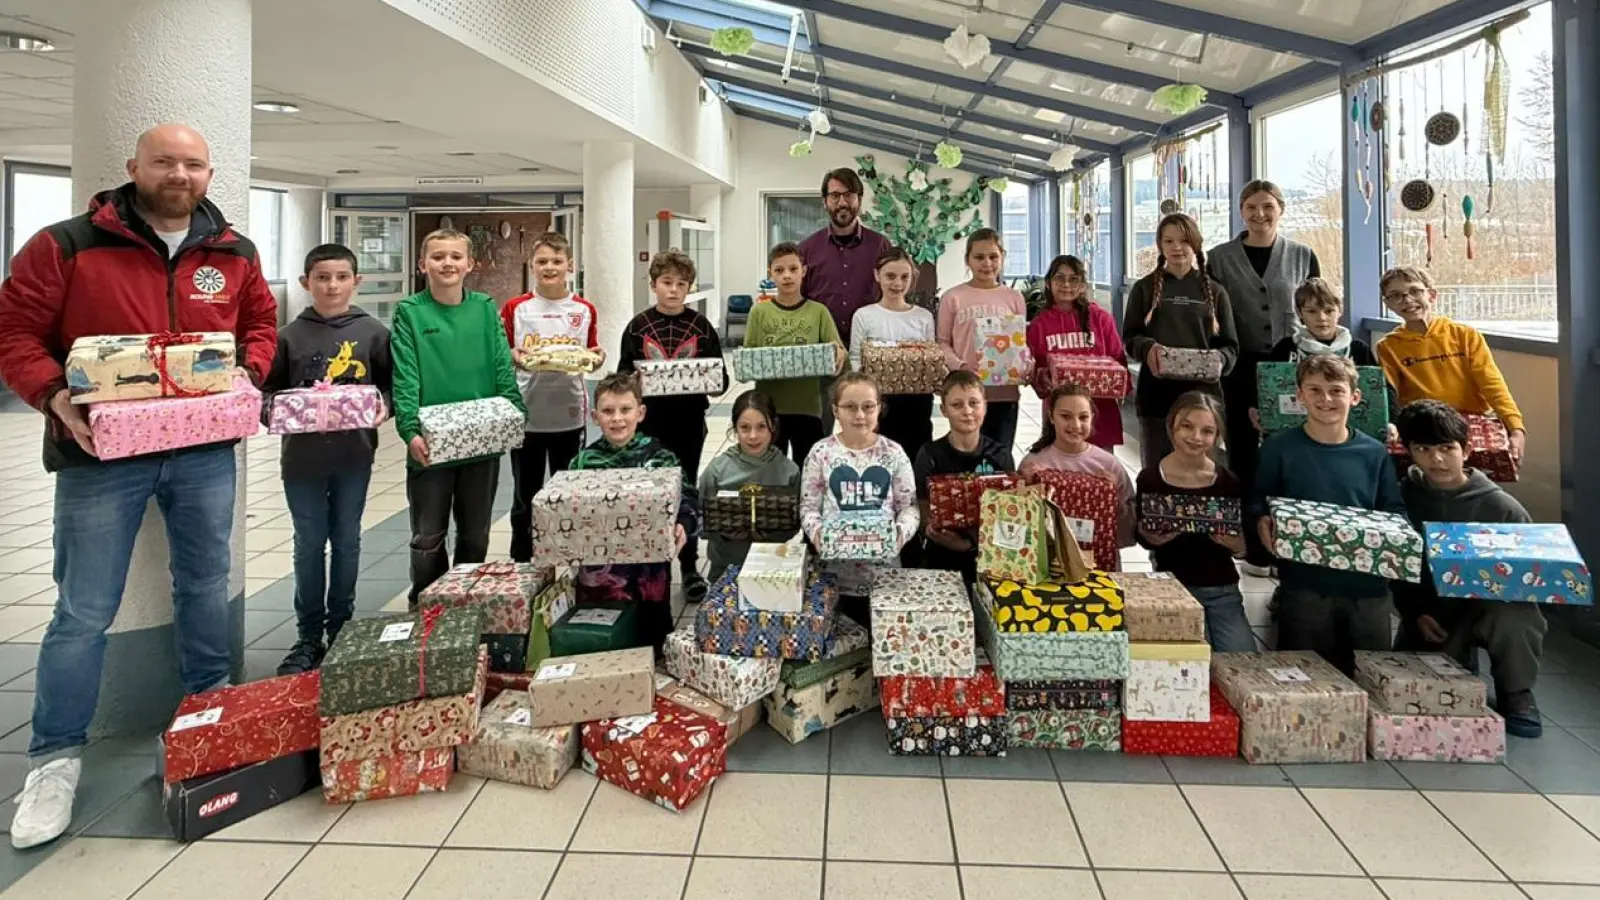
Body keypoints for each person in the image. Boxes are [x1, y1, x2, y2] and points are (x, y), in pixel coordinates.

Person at [0, 123, 278, 849]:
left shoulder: (234, 252)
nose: (178, 175)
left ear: (209, 174)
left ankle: (210, 714)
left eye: (193, 164)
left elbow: (259, 323)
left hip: (203, 452)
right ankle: (54, 757)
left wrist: (248, 369)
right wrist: (55, 395)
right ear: (133, 167)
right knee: (83, 609)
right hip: (101, 458)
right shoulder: (67, 245)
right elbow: (15, 332)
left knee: (205, 583)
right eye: (164, 162)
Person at [263, 244, 393, 675]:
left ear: (357, 281)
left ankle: (341, 627)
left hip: (354, 455)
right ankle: (307, 635)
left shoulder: (373, 333)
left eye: (341, 277)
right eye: (322, 278)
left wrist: (384, 407)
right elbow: (267, 394)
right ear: (306, 282)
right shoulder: (288, 337)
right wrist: (277, 411)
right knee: (308, 543)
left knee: (347, 539)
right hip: (301, 461)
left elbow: (391, 387)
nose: (332, 286)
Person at [1391, 400, 1545, 738]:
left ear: (1467, 449)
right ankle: (1458, 659)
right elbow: (1394, 563)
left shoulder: (1503, 508)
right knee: (1422, 687)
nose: (1437, 459)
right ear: (1409, 452)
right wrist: (1415, 611)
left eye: (1447, 448)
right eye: (1424, 449)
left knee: (1515, 617)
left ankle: (1517, 692)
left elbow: (1532, 574)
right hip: (1430, 607)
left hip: (1489, 605)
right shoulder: (1402, 498)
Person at [392, 229, 524, 609]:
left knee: (475, 536)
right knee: (428, 536)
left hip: (481, 443)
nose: (447, 263)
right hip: (430, 444)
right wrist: (409, 430)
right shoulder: (410, 313)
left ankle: (465, 608)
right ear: (423, 265)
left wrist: (514, 413)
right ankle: (426, 606)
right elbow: (405, 376)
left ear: (470, 264)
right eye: (438, 257)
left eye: (455, 256)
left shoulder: (484, 308)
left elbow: (501, 366)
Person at [1250, 355, 1405, 675]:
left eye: (1336, 390)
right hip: (1305, 584)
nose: (1326, 399)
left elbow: (1393, 509)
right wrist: (1261, 519)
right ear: (1300, 396)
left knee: (1370, 675)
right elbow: (1258, 499)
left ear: (1355, 397)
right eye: (1315, 390)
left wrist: (1396, 542)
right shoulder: (1278, 449)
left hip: (1368, 589)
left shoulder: (1374, 453)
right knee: (1304, 674)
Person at [1207, 181, 1322, 576]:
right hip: (1239, 369)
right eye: (1251, 207)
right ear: (1241, 211)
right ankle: (1252, 544)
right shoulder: (1218, 258)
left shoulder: (1302, 255)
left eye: (1268, 206)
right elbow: (1212, 315)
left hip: (1291, 367)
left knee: (1291, 452)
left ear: (1280, 209)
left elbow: (1316, 307)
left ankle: (1290, 541)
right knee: (1243, 453)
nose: (1260, 214)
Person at [616, 250, 727, 603]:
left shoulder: (702, 326)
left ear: (689, 287)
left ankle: (689, 565)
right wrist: (633, 382)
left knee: (686, 491)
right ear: (654, 285)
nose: (674, 290)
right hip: (648, 426)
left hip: (689, 422)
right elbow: (621, 376)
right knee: (647, 494)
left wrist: (708, 379)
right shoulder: (637, 326)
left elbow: (721, 380)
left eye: (681, 284)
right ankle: (650, 566)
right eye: (667, 282)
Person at [569, 372, 696, 653]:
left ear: (640, 413)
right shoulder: (582, 464)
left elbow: (687, 496)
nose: (617, 418)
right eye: (608, 411)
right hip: (598, 582)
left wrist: (683, 524)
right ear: (594, 416)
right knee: (602, 648)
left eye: (625, 409)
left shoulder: (660, 458)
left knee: (654, 646)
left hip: (650, 580)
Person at [500, 231, 603, 563]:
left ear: (569, 265)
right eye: (542, 261)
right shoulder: (516, 308)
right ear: (532, 265)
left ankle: (567, 557)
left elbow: (590, 352)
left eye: (557, 261)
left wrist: (596, 358)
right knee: (524, 496)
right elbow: (504, 353)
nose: (549, 267)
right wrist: (513, 356)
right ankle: (522, 560)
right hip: (526, 416)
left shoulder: (584, 309)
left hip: (569, 415)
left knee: (567, 493)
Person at [1135, 391, 1254, 652]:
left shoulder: (1228, 482)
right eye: (1187, 426)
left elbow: (1243, 543)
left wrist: (1239, 546)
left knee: (1241, 656)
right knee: (1189, 656)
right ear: (1172, 427)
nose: (1196, 437)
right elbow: (1143, 534)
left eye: (1207, 431)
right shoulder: (1151, 479)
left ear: (1217, 435)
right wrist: (1148, 537)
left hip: (1222, 589)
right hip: (1171, 587)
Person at [1374, 265, 1526, 466]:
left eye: (1415, 291)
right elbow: (1389, 395)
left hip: (1470, 422)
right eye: (1396, 295)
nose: (1407, 300)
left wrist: (1515, 428)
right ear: (1387, 303)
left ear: (1431, 295)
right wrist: (1392, 426)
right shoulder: (1388, 346)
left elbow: (1491, 383)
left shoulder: (1464, 335)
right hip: (1422, 426)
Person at [1121, 213, 1239, 471]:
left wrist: (1220, 360)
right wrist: (1148, 349)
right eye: (1169, 241)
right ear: (1160, 245)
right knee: (1156, 472)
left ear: (1195, 243)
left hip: (1203, 400)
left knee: (1200, 474)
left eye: (1184, 241)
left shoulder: (1215, 292)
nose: (1177, 247)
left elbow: (1231, 347)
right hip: (1156, 398)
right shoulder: (1144, 288)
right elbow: (1130, 337)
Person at [800, 372, 919, 625]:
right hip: (833, 576)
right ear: (835, 410)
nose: (860, 415)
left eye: (868, 407)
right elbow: (809, 507)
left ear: (879, 408)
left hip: (884, 575)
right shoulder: (821, 453)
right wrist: (817, 534)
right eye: (850, 407)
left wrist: (900, 534)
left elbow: (909, 507)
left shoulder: (894, 453)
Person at [799, 167, 892, 433]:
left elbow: (893, 293)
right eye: (835, 195)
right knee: (819, 429)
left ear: (859, 199)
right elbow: (801, 301)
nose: (842, 202)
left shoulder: (880, 246)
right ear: (825, 201)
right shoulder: (807, 249)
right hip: (824, 356)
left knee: (869, 429)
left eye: (849, 195)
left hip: (869, 353)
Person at [741, 242, 846, 466]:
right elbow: (749, 357)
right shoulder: (759, 312)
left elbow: (839, 354)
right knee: (770, 471)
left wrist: (837, 355)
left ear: (803, 271)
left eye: (793, 269)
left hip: (808, 408)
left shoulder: (818, 312)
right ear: (770, 273)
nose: (787, 275)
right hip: (768, 409)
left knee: (808, 471)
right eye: (779, 270)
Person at [1254, 277, 1398, 438]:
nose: (1321, 318)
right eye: (1312, 311)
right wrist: (1258, 410)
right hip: (1295, 434)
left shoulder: (1357, 349)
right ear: (1300, 313)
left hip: (1349, 433)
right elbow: (1265, 387)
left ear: (1340, 310)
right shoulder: (1286, 348)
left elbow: (1382, 388)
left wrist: (1390, 421)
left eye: (1329, 311)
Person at [912, 370, 1017, 584]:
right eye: (957, 405)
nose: (967, 411)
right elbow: (922, 507)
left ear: (985, 406)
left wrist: (969, 542)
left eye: (973, 403)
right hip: (939, 555)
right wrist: (932, 530)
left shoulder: (1000, 455)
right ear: (944, 410)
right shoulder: (930, 455)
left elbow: (1009, 515)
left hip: (988, 557)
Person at [1018, 383, 1136, 562]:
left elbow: (1130, 530)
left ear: (1092, 418)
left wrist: (1113, 498)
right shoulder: (1033, 463)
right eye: (1065, 416)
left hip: (1096, 563)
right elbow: (1017, 525)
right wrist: (1024, 489)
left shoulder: (1108, 465)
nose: (1075, 424)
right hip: (1046, 563)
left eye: (1083, 417)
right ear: (1051, 416)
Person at [936, 228, 1028, 454]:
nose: (987, 263)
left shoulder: (1014, 298)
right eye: (979, 257)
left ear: (1002, 257)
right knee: (966, 456)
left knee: (999, 458)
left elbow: (1020, 343)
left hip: (1004, 393)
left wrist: (1026, 365)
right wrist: (961, 367)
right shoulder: (952, 297)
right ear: (967, 259)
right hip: (965, 395)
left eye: (993, 256)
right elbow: (942, 342)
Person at [697, 390, 802, 582]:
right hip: (726, 566)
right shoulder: (717, 470)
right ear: (735, 428)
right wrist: (721, 532)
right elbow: (697, 516)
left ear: (773, 426)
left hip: (771, 568)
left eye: (761, 426)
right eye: (745, 427)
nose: (753, 436)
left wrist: (775, 531)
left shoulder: (789, 472)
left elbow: (797, 520)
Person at [1026, 254, 1126, 452]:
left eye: (1073, 279)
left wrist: (1119, 386)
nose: (1066, 285)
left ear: (1082, 285)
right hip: (1060, 415)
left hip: (1100, 413)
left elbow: (1117, 358)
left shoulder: (1101, 319)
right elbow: (1034, 369)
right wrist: (1042, 378)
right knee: (1061, 464)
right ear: (1048, 283)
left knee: (1101, 465)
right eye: (1059, 278)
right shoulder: (1039, 324)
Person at [850, 246, 937, 466]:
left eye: (904, 277)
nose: (897, 283)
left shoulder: (923, 317)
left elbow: (929, 360)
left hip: (917, 404)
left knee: (914, 459)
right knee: (878, 461)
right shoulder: (864, 316)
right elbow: (856, 360)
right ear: (876, 275)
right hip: (878, 403)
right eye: (890, 276)